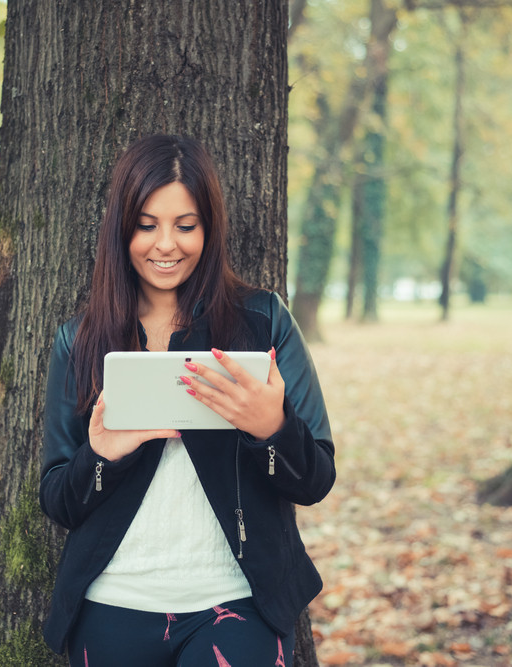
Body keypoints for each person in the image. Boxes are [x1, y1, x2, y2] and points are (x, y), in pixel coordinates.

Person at [39, 134, 335, 666]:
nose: (166, 244)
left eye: (186, 225)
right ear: (121, 229)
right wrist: (102, 458)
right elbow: (59, 500)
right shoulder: (80, 340)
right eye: (147, 225)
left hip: (236, 602)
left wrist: (272, 430)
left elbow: (315, 480)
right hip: (112, 604)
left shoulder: (263, 322)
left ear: (209, 228)